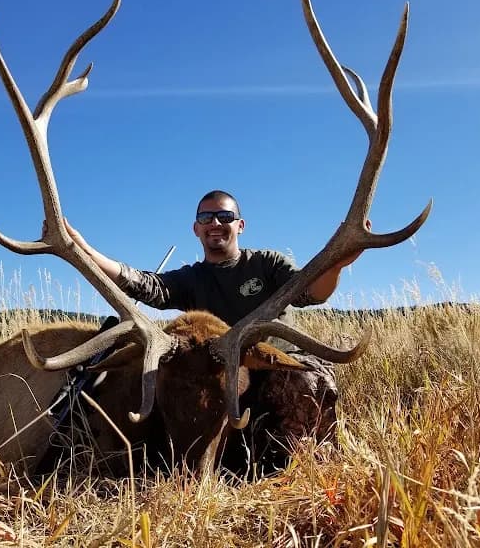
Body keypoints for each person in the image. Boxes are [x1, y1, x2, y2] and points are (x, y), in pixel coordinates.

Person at [65, 189, 367, 470]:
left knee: (306, 382)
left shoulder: (266, 264)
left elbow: (310, 293)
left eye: (225, 216)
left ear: (240, 226)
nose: (215, 223)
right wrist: (86, 251)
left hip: (270, 367)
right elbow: (147, 286)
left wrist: (335, 265)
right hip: (221, 374)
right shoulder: (192, 278)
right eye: (206, 217)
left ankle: (309, 466)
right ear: (196, 229)